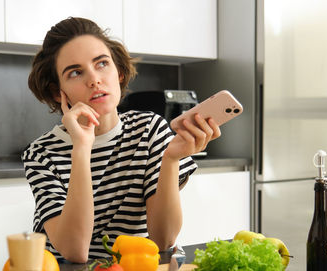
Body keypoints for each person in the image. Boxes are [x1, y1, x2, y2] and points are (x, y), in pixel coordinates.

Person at [22, 17, 221, 263]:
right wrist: (81, 149)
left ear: (119, 73)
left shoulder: (150, 130)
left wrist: (170, 160)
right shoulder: (41, 153)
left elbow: (164, 241)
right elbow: (75, 252)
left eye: (102, 64)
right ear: (57, 92)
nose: (94, 79)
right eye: (75, 72)